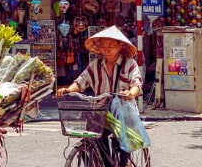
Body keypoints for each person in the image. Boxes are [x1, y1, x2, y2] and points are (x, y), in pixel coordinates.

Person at [56, 25, 143, 167]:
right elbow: (81, 81)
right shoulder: (95, 65)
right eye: (103, 46)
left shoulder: (129, 64)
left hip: (123, 112)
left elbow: (136, 85)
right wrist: (67, 90)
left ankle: (124, 163)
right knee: (93, 137)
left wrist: (129, 93)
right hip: (100, 110)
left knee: (121, 141)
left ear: (120, 46)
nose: (106, 50)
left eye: (111, 46)